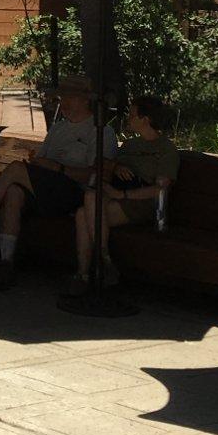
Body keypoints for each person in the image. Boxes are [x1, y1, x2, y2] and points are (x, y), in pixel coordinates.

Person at [0, 73, 115, 291]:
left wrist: (58, 168)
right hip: (47, 189)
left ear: (84, 100)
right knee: (15, 191)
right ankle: (6, 261)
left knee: (15, 169)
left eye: (70, 98)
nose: (64, 103)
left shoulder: (100, 131)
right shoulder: (58, 128)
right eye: (62, 98)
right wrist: (38, 164)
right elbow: (40, 161)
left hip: (73, 194)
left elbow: (95, 175)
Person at [71, 93, 180, 296]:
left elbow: (160, 189)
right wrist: (117, 166)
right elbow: (105, 164)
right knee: (86, 206)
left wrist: (122, 195)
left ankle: (87, 273)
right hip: (117, 196)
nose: (128, 118)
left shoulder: (166, 149)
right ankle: (101, 264)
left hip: (142, 202)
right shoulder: (130, 145)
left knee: (84, 213)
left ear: (145, 119)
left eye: (132, 114)